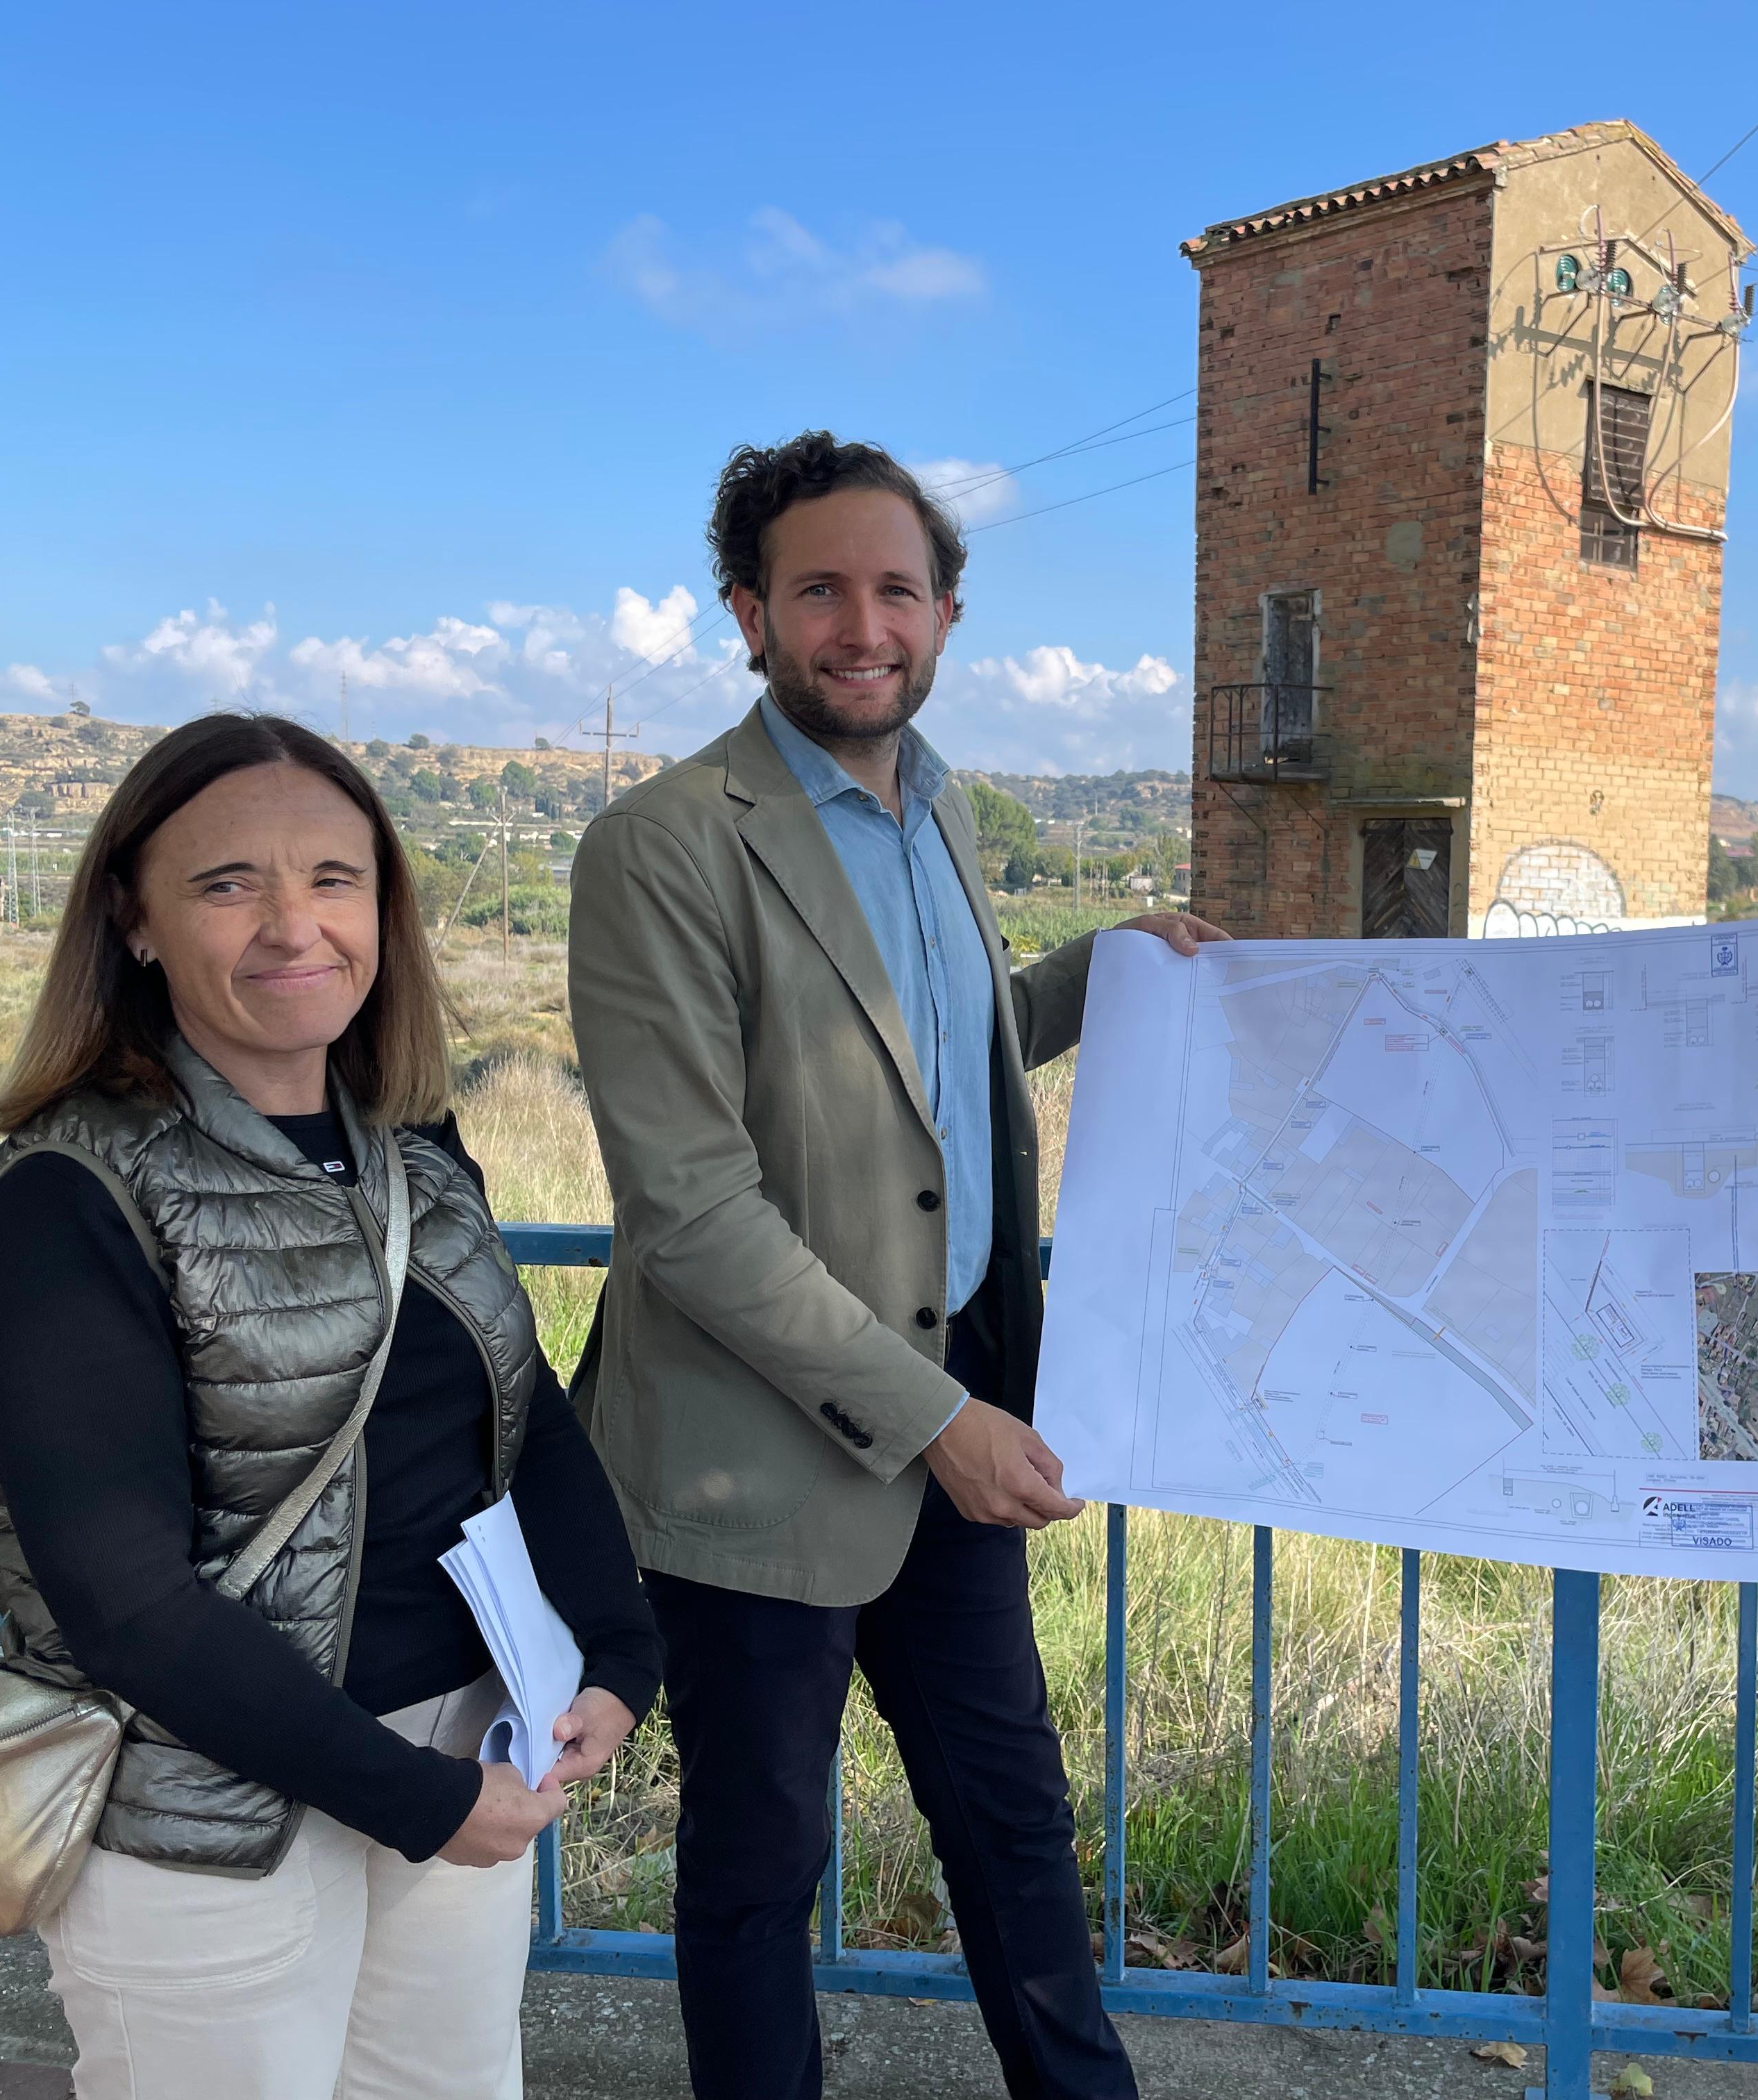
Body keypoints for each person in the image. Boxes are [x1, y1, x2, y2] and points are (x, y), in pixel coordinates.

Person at [568, 431, 1225, 2100]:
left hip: (955, 1431)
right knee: (755, 1868)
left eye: (898, 590)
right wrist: (936, 1417)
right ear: (748, 612)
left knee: (1014, 1823)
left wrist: (1101, 973)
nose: (864, 626)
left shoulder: (938, 815)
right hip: (762, 1467)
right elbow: (694, 1209)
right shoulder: (662, 845)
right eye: (820, 591)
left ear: (945, 613)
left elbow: (935, 1066)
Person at [0, 714, 661, 2100]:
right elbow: (124, 1601)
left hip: (460, 1747)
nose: (294, 925)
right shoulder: (72, 1197)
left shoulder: (415, 1146)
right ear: (133, 921)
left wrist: (621, 1655)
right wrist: (413, 1802)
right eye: (228, 884)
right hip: (202, 1818)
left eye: (334, 879)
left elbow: (519, 1421)